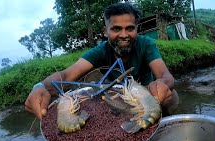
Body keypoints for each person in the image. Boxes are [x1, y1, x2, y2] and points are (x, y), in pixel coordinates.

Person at [24, 2, 179, 120]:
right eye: (116, 29)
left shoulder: (146, 44)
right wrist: (39, 87)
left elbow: (165, 75)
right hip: (116, 99)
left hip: (146, 94)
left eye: (130, 28)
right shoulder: (100, 51)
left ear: (136, 29)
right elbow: (66, 75)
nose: (124, 35)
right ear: (105, 31)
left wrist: (161, 85)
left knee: (172, 96)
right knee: (92, 89)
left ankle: (164, 121)